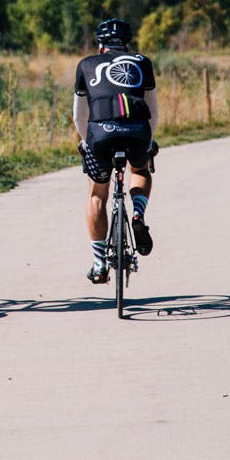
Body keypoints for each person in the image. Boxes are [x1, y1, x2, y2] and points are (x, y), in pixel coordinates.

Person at [73, 18, 158, 284]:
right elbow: (152, 113)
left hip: (100, 133)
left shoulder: (86, 64)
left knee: (97, 194)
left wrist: (86, 142)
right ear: (128, 43)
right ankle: (137, 214)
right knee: (140, 169)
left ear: (100, 46)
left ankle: (99, 263)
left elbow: (79, 116)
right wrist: (150, 141)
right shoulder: (142, 62)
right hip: (137, 130)